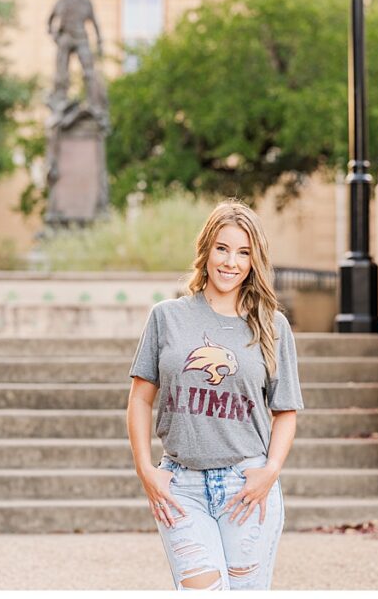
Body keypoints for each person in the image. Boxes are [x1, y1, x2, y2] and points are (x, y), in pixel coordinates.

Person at [126, 200, 304, 590]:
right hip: (180, 487)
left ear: (255, 261)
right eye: (222, 248)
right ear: (206, 249)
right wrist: (145, 470)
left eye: (244, 253)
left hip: (246, 487)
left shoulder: (272, 326)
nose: (231, 262)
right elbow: (140, 398)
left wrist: (270, 470)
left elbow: (286, 410)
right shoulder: (166, 317)